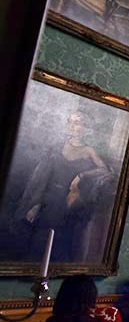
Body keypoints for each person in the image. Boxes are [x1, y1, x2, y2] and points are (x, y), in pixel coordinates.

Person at [14, 109, 113, 264]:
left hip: (67, 200)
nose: (72, 126)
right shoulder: (57, 146)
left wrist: (81, 175)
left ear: (85, 128)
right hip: (47, 199)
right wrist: (36, 204)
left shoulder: (88, 150)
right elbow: (43, 178)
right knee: (36, 242)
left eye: (77, 122)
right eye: (70, 122)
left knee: (58, 242)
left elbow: (104, 169)